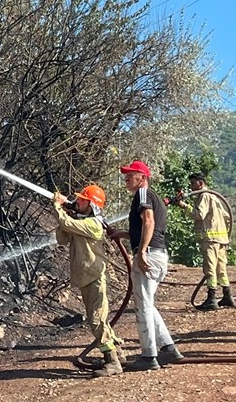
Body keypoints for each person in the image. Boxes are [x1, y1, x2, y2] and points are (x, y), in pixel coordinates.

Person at [120, 160, 183, 372]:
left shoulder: (143, 194)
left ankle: (148, 356)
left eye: (131, 174)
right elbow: (144, 227)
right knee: (147, 302)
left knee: (143, 305)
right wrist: (120, 234)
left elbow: (149, 222)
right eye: (126, 175)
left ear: (143, 177)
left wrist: (141, 252)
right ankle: (168, 348)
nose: (127, 177)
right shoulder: (151, 197)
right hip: (158, 254)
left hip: (150, 254)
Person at [53, 185, 123, 375]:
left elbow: (67, 225)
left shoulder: (94, 224)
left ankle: (113, 362)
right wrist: (66, 214)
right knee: (100, 317)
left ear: (92, 205)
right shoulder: (80, 221)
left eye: (83, 200)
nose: (78, 201)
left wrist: (59, 208)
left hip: (94, 276)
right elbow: (62, 238)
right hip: (85, 276)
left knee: (96, 319)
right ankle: (119, 354)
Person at [175, 173, 234, 311]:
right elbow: (226, 216)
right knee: (221, 268)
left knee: (210, 269)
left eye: (193, 184)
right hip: (221, 239)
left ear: (200, 184)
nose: (191, 187)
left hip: (210, 239)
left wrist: (184, 206)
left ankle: (211, 298)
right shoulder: (214, 197)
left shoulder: (205, 196)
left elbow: (199, 214)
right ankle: (227, 295)